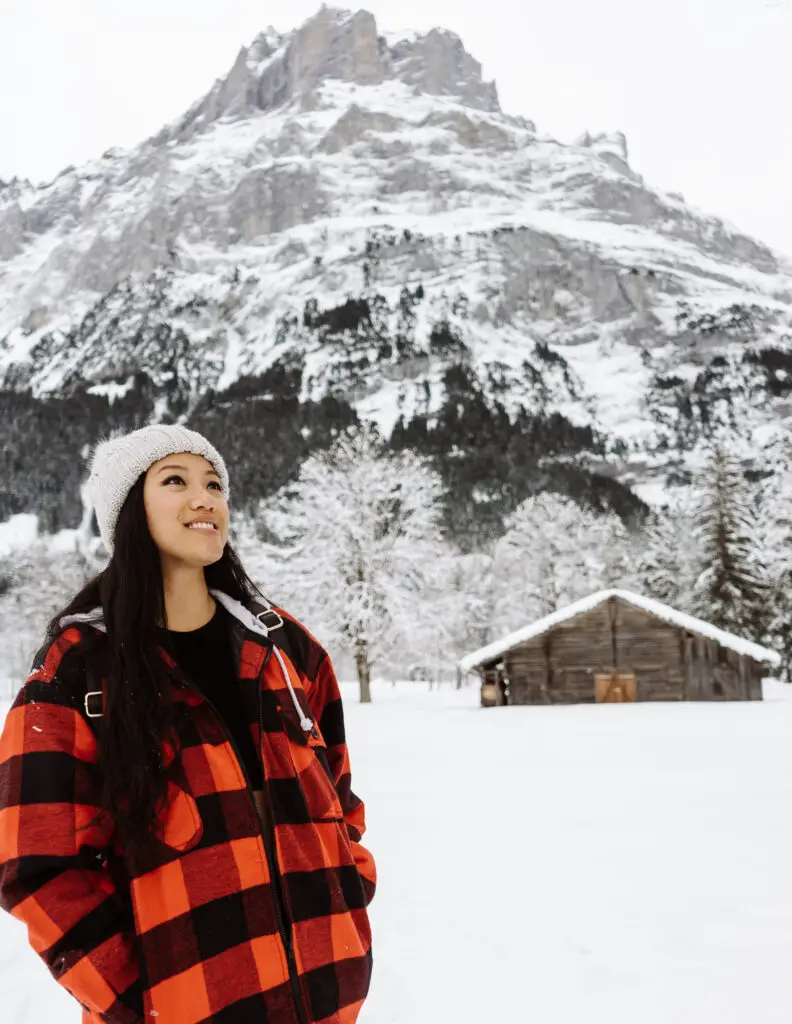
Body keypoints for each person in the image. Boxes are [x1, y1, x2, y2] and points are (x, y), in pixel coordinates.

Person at [0, 424, 376, 1024]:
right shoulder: (74, 673)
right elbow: (37, 870)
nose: (205, 498)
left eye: (214, 484)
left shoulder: (288, 650)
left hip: (328, 1001)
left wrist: (349, 902)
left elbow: (339, 800)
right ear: (127, 511)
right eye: (175, 481)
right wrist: (142, 997)